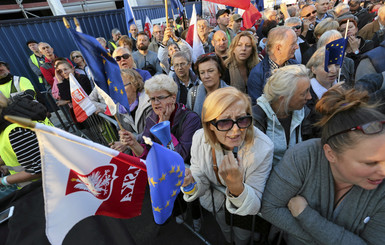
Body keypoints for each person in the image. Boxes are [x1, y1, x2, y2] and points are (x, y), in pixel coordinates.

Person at [261, 84, 385, 245]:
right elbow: (271, 208)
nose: (382, 171)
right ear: (330, 153)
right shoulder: (304, 157)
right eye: (370, 163)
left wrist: (305, 215)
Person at [182, 86, 274, 245]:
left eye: (242, 120)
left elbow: (255, 201)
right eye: (224, 122)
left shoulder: (263, 148)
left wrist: (236, 186)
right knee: (225, 231)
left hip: (245, 215)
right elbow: (199, 173)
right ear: (210, 124)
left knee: (242, 237)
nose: (236, 130)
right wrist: (190, 183)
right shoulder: (199, 138)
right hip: (216, 206)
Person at [252, 65, 312, 166]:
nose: (309, 97)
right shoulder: (257, 119)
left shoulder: (304, 113)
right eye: (303, 94)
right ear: (283, 98)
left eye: (309, 90)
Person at [0, 92, 47, 188]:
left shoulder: (15, 131)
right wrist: (7, 167)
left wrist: (3, 181)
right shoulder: (9, 125)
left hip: (46, 191)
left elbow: (39, 169)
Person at [247, 26, 299, 104]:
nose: (297, 47)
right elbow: (257, 108)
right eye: (293, 44)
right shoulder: (257, 74)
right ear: (278, 48)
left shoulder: (296, 67)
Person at [109, 69, 152, 153]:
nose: (119, 90)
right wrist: (122, 143)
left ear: (135, 85)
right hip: (137, 151)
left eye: (123, 85)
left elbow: (151, 133)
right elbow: (123, 132)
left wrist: (128, 143)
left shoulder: (149, 103)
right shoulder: (119, 108)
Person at [187, 53, 229, 117]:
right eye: (202, 72)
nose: (206, 76)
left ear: (219, 72)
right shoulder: (192, 94)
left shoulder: (231, 95)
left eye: (210, 71)